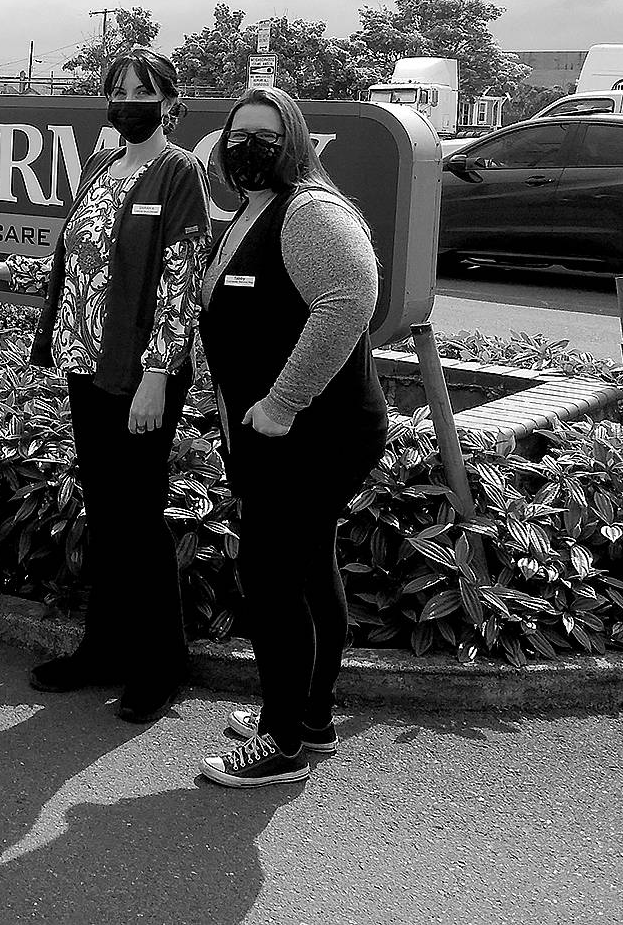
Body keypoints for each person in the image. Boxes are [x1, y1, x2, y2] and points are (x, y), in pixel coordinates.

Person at [0, 47, 209, 723]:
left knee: (140, 519)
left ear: (170, 102)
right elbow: (71, 267)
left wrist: (158, 375)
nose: (128, 99)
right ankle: (103, 650)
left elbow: (180, 288)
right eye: (117, 88)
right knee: (108, 512)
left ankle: (162, 664)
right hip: (87, 367)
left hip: (141, 374)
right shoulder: (100, 164)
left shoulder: (179, 173)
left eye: (142, 90)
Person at [195, 85, 389, 788]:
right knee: (308, 570)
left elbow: (348, 302)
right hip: (279, 431)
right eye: (238, 133)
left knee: (271, 578)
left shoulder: (308, 209)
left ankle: (279, 744)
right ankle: (310, 715)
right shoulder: (254, 210)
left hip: (313, 433)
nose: (248, 147)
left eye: (267, 137)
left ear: (296, 142)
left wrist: (282, 402)